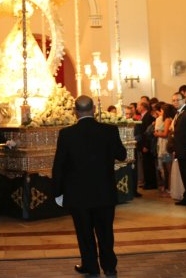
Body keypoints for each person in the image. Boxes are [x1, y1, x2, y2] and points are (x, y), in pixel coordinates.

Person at [52, 95, 127, 278]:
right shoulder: (109, 131)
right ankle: (109, 267)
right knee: (105, 232)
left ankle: (91, 268)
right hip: (104, 192)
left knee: (84, 233)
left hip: (78, 194)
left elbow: (59, 165)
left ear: (75, 112)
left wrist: (58, 192)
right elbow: (122, 155)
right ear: (94, 109)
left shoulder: (66, 134)